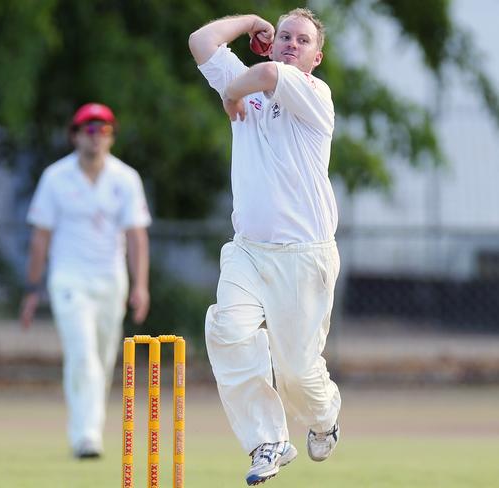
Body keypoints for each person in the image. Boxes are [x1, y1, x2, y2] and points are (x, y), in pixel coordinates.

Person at [189, 8, 341, 485]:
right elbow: (200, 41)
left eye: (303, 41)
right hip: (249, 250)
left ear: (316, 57)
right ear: (271, 42)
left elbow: (271, 75)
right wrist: (252, 18)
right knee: (228, 329)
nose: (292, 44)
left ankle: (324, 417)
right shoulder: (251, 85)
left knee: (297, 373)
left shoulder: (315, 94)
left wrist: (232, 91)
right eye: (285, 37)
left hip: (305, 254)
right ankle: (267, 440)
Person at [19, 102, 151, 459]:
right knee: (82, 355)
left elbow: (137, 236)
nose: (96, 137)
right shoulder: (55, 177)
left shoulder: (125, 178)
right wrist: (33, 289)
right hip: (68, 279)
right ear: (75, 135)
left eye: (103, 130)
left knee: (103, 359)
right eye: (89, 130)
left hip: (111, 279)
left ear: (111, 137)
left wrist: (140, 286)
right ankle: (86, 435)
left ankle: (89, 427)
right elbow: (40, 237)